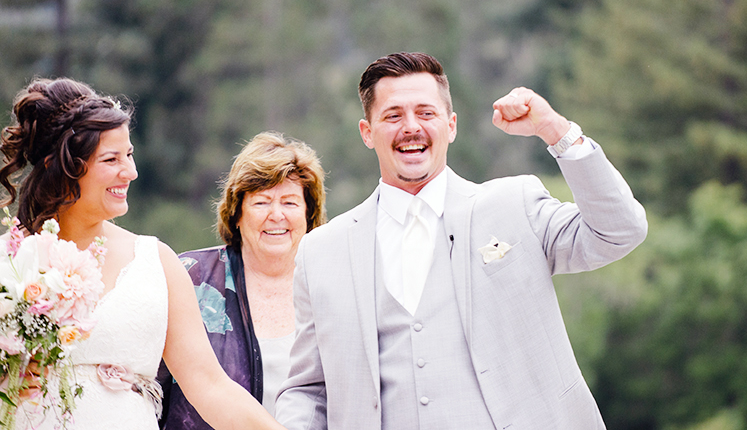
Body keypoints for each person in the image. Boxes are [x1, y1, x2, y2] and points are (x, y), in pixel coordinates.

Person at [275, 52, 648, 429]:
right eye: (393, 116)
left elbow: (619, 231)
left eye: (426, 113)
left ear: (451, 125)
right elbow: (308, 389)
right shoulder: (322, 251)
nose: (411, 128)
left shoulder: (513, 205)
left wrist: (555, 129)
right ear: (367, 132)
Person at [0, 78, 287, 430]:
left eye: (130, 155)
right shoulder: (8, 265)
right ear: (58, 164)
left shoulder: (157, 262)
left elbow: (211, 386)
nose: (131, 172)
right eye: (111, 159)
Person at [158, 132, 327, 428]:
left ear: (308, 214)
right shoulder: (190, 276)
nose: (277, 215)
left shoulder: (333, 285)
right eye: (262, 203)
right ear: (236, 213)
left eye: (289, 203)